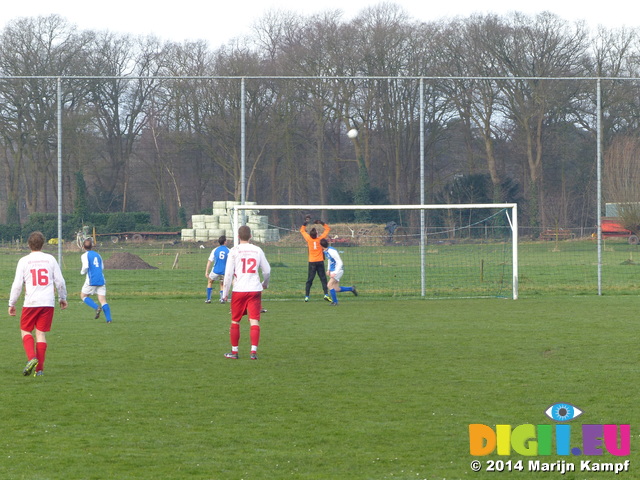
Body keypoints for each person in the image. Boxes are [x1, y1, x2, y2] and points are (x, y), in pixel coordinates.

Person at [8, 231, 68, 377]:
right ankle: (39, 370)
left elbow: (17, 285)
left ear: (29, 244)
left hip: (31, 302)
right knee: (40, 333)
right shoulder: (50, 259)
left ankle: (31, 358)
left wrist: (12, 303)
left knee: (25, 331)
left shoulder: (23, 261)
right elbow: (60, 282)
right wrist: (62, 298)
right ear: (43, 244)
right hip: (47, 302)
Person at [222, 225, 270, 360]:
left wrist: (225, 293)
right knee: (254, 320)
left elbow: (228, 274)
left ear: (238, 236)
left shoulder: (234, 251)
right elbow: (267, 270)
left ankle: (235, 352)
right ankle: (253, 352)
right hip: (254, 289)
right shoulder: (257, 250)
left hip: (239, 289)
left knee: (235, 321)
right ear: (251, 236)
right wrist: (265, 284)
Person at [299, 216, 331, 302]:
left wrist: (306, 222)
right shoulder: (320, 239)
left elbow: (302, 230)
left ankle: (306, 296)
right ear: (317, 234)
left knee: (310, 279)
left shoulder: (308, 239)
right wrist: (321, 222)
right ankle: (326, 294)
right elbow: (327, 229)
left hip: (312, 262)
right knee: (323, 279)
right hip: (320, 262)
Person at [80, 238, 113, 323]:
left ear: (83, 247)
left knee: (83, 296)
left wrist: (82, 272)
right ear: (92, 246)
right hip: (101, 279)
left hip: (92, 280)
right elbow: (102, 267)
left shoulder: (84, 255)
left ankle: (96, 307)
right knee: (102, 300)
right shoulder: (98, 255)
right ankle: (109, 320)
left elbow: (86, 266)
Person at [320, 238, 358, 305]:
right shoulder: (326, 250)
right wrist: (328, 269)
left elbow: (340, 262)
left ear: (321, 245)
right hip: (334, 270)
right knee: (336, 289)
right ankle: (351, 289)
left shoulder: (332, 251)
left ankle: (335, 302)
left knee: (329, 285)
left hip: (338, 270)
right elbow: (330, 260)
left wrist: (335, 272)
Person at [205, 235, 230, 303]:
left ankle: (208, 299)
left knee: (210, 281)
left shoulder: (215, 250)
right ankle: (222, 299)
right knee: (222, 284)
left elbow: (210, 261)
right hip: (224, 271)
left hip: (216, 270)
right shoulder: (228, 250)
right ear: (225, 242)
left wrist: (207, 271)